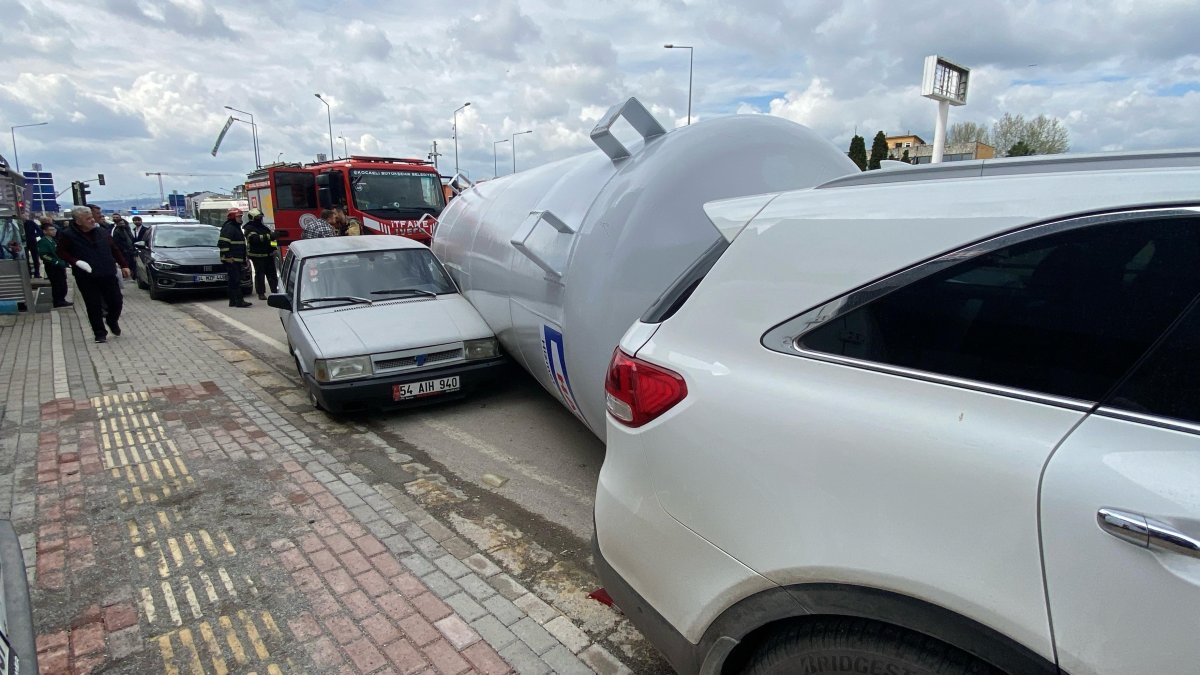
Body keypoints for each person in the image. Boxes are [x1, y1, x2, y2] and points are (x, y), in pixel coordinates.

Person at [57, 205, 130, 343]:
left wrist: (124, 265)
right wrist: (76, 262)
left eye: (91, 217)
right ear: (78, 222)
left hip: (107, 272)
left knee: (116, 302)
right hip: (86, 276)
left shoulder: (102, 232)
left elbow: (114, 249)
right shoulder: (68, 235)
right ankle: (99, 332)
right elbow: (61, 252)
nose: (92, 220)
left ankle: (111, 320)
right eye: (88, 219)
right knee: (93, 304)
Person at [218, 207, 252, 308]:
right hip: (231, 259)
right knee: (236, 280)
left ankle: (233, 301)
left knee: (233, 280)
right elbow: (223, 243)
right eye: (239, 216)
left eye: (241, 216)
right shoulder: (230, 227)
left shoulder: (234, 227)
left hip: (236, 259)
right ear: (232, 217)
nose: (241, 218)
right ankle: (239, 301)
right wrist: (228, 256)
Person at [243, 208, 278, 299]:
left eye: (261, 217)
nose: (260, 219)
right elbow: (255, 239)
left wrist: (274, 248)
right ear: (253, 218)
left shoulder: (264, 227)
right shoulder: (249, 228)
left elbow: (272, 240)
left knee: (272, 274)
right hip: (257, 256)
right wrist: (269, 236)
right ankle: (261, 293)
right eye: (258, 217)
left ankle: (275, 291)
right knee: (260, 275)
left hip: (269, 255)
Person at [37, 219, 71, 308]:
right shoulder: (44, 241)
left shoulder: (52, 240)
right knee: (57, 284)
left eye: (54, 229)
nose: (54, 231)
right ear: (45, 231)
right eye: (51, 230)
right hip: (52, 266)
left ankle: (61, 299)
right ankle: (58, 301)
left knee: (62, 283)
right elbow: (44, 255)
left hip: (59, 265)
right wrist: (55, 261)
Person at [110, 214, 138, 279]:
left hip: (131, 250)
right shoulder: (116, 231)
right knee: (126, 264)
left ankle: (133, 276)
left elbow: (131, 239)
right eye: (121, 223)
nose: (122, 224)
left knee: (133, 264)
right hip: (124, 251)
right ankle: (127, 276)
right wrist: (123, 249)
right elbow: (117, 242)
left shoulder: (127, 229)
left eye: (123, 223)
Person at [23, 213, 41, 278]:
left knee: (35, 258)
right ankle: (29, 274)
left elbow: (39, 230)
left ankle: (37, 273)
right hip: (23, 243)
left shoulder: (30, 222)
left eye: (24, 215)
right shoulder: (19, 223)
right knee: (26, 259)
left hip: (32, 242)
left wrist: (35, 236)